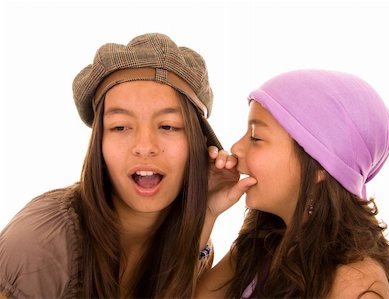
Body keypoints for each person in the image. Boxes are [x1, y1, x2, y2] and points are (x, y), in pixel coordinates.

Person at [0, 32, 223, 298]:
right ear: (99, 144)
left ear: (199, 144)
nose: (144, 146)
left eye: (168, 126)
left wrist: (205, 213)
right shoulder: (42, 241)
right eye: (120, 127)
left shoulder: (195, 243)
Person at [197, 70, 389, 298]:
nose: (236, 147)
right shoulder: (259, 246)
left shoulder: (357, 285)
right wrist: (207, 210)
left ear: (319, 166)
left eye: (256, 137)